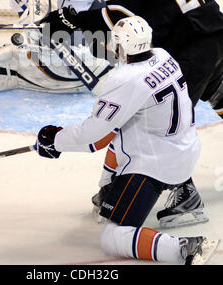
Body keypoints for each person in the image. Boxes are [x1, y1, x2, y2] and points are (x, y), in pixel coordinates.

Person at [40, 0, 223, 228]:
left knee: (169, 120)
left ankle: (184, 194)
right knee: (218, 95)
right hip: (214, 31)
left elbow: (120, 17)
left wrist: (70, 21)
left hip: (191, 48)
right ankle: (117, 183)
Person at [33, 16, 219, 265]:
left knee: (113, 237)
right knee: (122, 130)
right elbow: (106, 133)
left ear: (121, 46)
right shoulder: (164, 56)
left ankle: (183, 249)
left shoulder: (124, 80)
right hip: (185, 151)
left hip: (154, 167)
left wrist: (55, 140)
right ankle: (111, 189)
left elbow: (93, 135)